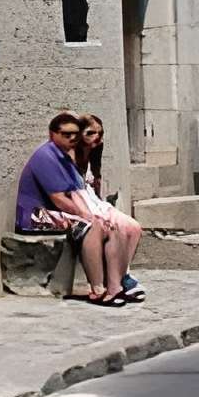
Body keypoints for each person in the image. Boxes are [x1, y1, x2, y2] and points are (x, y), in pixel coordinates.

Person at [15, 112, 143, 305]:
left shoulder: (63, 156)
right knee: (94, 227)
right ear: (53, 134)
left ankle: (115, 286)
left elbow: (74, 194)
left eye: (75, 133)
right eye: (66, 134)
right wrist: (88, 217)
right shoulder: (47, 155)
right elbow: (59, 199)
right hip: (35, 214)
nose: (73, 138)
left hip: (55, 210)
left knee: (110, 226)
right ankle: (97, 288)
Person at [76, 114, 144, 303]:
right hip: (83, 204)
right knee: (116, 227)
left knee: (134, 228)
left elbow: (95, 188)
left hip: (95, 201)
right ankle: (116, 283)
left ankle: (122, 276)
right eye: (90, 133)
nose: (96, 137)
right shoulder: (71, 156)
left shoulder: (94, 157)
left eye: (100, 133)